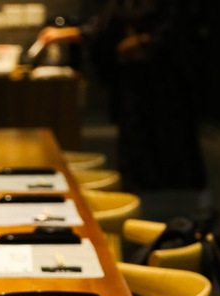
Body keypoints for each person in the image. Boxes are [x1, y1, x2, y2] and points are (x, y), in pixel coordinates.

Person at [36, 0, 207, 195]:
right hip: (134, 79)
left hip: (167, 80)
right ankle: (144, 186)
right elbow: (106, 25)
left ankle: (173, 189)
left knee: (170, 132)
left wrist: (143, 41)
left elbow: (178, 30)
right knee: (136, 134)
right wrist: (72, 33)